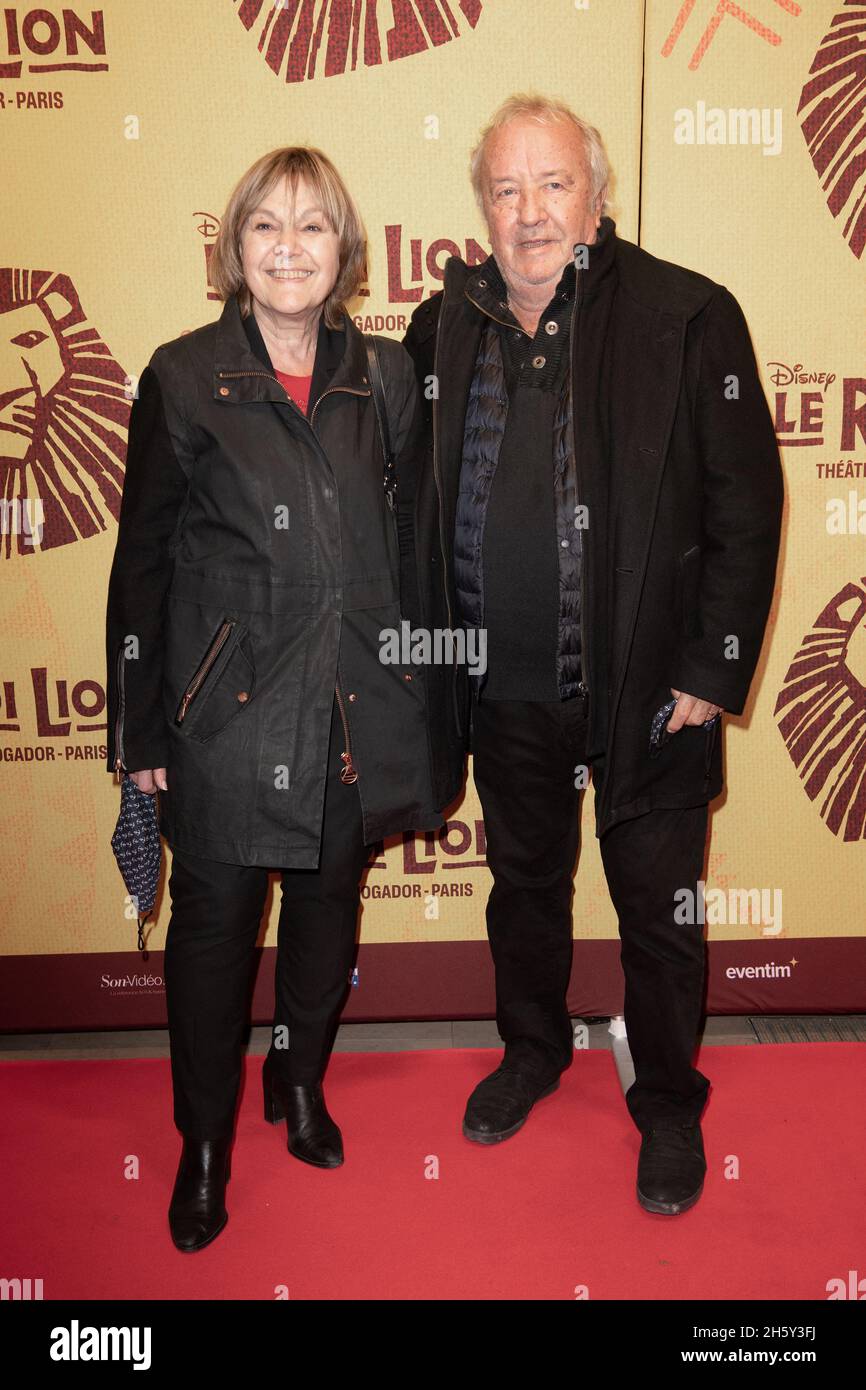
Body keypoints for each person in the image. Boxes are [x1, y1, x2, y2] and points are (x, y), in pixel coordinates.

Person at [403, 95, 784, 1215]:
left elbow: (744, 505)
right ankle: (531, 1050)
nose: (527, 213)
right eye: (505, 189)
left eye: (551, 184)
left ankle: (666, 1099)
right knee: (522, 891)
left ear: (598, 193)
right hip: (498, 688)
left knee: (657, 915)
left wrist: (711, 672)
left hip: (646, 693)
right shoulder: (446, 326)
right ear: (480, 206)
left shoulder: (684, 314)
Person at [105, 146, 462, 1252]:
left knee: (323, 913)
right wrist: (141, 725)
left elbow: (415, 544)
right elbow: (144, 562)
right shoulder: (180, 373)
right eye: (267, 226)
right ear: (234, 245)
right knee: (212, 936)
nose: (290, 248)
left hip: (354, 698)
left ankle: (297, 1079)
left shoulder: (387, 373)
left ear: (344, 251)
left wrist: (419, 685)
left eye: (313, 228)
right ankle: (203, 1142)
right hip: (224, 712)